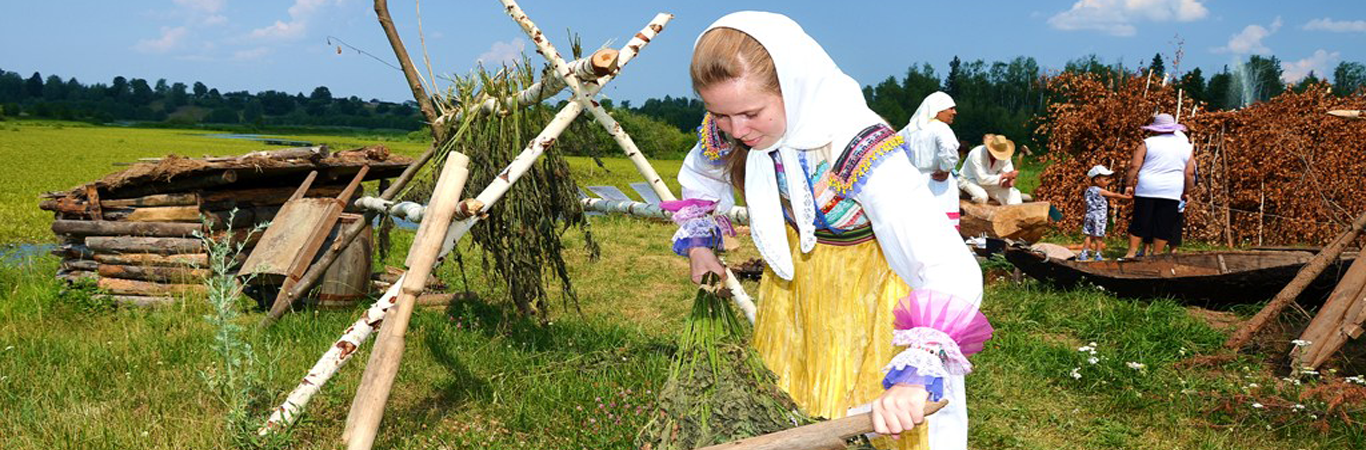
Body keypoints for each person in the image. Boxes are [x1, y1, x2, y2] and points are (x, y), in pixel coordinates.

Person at [668, 12, 990, 450]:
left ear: (794, 88)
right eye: (720, 114)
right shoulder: (732, 126)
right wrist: (700, 247)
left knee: (878, 421)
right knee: (794, 409)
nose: (737, 130)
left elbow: (945, 263)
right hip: (794, 295)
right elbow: (701, 176)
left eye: (750, 113)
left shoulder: (858, 146)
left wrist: (916, 374)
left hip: (872, 300)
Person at [1122, 113, 1196, 259]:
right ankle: (1156, 255)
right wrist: (1187, 191)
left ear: (1155, 129)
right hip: (1172, 190)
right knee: (1164, 224)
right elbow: (1189, 173)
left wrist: (1129, 184)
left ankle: (1131, 253)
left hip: (1147, 188)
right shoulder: (1186, 147)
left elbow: (1134, 166)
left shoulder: (1148, 142)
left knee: (1140, 221)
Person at [900, 92, 962, 229]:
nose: (954, 112)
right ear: (938, 110)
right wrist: (946, 168)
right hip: (937, 181)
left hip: (914, 182)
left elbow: (893, 151)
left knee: (919, 223)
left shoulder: (909, 130)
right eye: (950, 108)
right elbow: (949, 150)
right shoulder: (941, 128)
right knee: (941, 224)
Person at [1079, 165, 1131, 261]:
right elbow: (1114, 195)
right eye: (1106, 179)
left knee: (1089, 235)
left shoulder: (1088, 191)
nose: (1108, 182)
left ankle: (1084, 253)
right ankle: (1098, 254)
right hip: (1099, 217)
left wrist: (1084, 214)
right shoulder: (1101, 191)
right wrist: (1125, 197)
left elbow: (1084, 204)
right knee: (1099, 236)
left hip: (1089, 216)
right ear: (1097, 180)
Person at [958, 134, 1023, 205]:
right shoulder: (976, 154)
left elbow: (1008, 173)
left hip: (990, 181)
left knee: (1014, 194)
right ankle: (971, 213)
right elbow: (982, 179)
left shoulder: (1005, 155)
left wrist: (1008, 182)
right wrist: (1004, 176)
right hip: (969, 179)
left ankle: (1014, 214)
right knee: (981, 197)